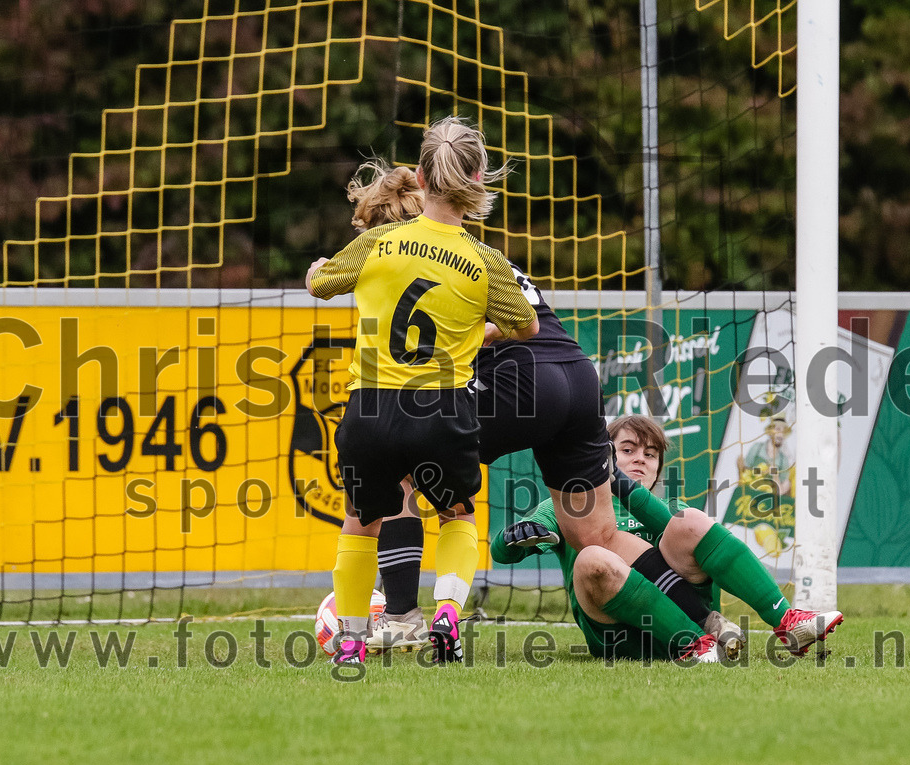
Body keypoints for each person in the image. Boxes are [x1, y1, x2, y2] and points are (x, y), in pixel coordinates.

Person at [337, 157, 733, 655]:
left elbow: (504, 329)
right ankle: (707, 627)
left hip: (519, 383)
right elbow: (527, 319)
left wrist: (462, 340)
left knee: (401, 472)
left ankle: (400, 616)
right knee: (597, 533)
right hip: (575, 377)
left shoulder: (412, 257)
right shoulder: (483, 254)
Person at [306, 116, 540, 664]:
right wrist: (479, 328)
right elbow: (528, 326)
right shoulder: (486, 262)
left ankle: (350, 644)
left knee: (361, 521)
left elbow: (320, 283)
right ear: (478, 177)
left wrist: (319, 268)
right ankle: (447, 617)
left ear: (421, 176)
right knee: (456, 514)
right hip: (442, 410)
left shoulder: (381, 242)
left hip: (370, 409)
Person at [602, 415, 843, 657]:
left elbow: (674, 522)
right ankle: (699, 634)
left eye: (651, 454)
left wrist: (619, 482)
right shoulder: (583, 512)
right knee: (592, 558)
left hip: (699, 634)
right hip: (617, 637)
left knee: (690, 520)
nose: (640, 459)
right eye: (627, 450)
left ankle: (786, 620)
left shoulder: (675, 508)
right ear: (604, 456)